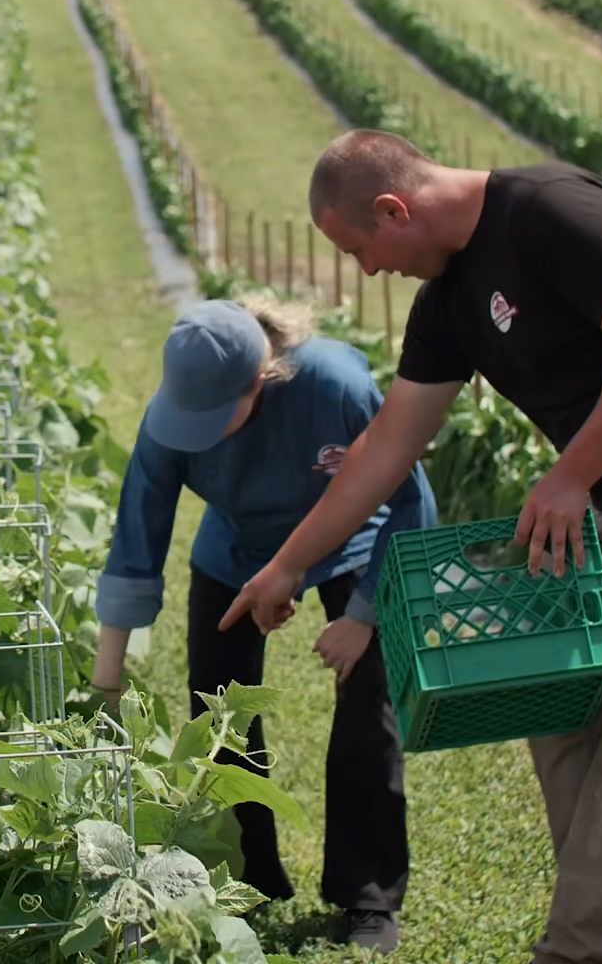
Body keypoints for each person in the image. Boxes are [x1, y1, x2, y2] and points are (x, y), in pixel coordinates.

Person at [225, 130, 602, 964]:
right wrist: (289, 565)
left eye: (362, 249)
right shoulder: (449, 302)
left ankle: (589, 948)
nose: (369, 271)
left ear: (393, 208)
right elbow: (388, 446)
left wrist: (568, 477)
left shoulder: (553, 211)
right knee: (559, 709)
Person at [90, 297, 436, 956]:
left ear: (262, 379)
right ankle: (250, 878)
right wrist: (108, 678)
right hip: (238, 552)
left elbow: (411, 504)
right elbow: (137, 539)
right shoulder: (168, 420)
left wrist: (363, 617)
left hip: (354, 547)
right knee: (217, 714)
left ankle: (367, 896)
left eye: (215, 420)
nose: (203, 433)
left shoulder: (336, 387)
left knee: (370, 706)